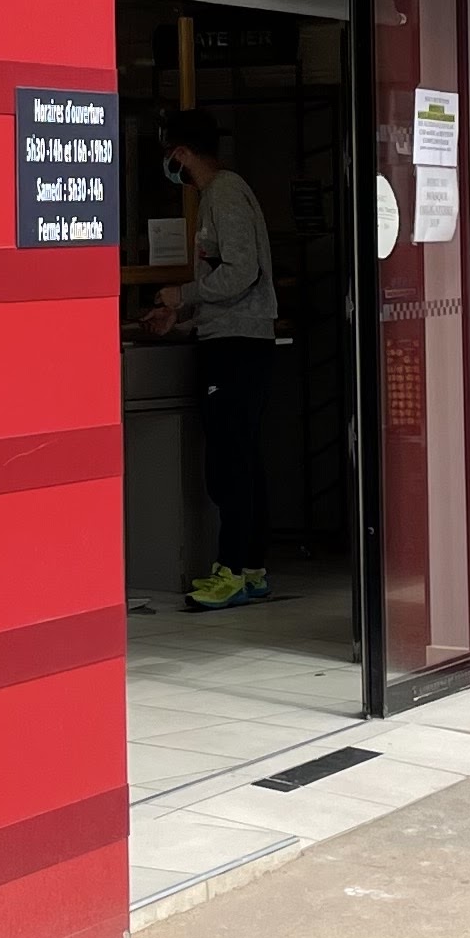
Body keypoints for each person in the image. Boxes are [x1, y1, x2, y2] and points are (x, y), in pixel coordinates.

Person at [144, 108, 277, 609]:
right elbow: (227, 282)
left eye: (170, 156)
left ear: (180, 153)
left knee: (229, 463)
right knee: (242, 458)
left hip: (236, 348)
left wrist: (183, 294)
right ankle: (252, 568)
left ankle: (232, 570)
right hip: (233, 338)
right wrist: (180, 317)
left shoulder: (223, 193)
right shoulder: (221, 194)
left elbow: (240, 273)